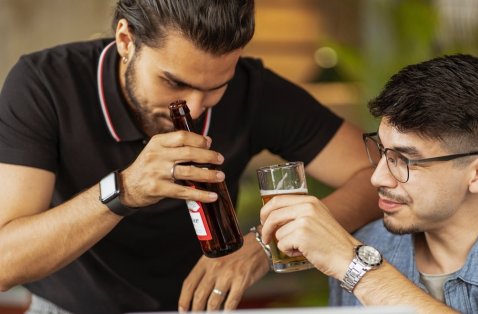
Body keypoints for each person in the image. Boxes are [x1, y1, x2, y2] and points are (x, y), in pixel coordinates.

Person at [0, 0, 381, 313]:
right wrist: (124, 189)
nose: (195, 108)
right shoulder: (44, 84)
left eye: (217, 87)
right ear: (125, 40)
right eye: (174, 82)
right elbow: (5, 262)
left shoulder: (254, 90)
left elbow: (378, 174)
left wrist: (265, 246)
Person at [260, 54, 478, 312]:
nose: (377, 177)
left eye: (405, 160)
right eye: (382, 151)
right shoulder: (367, 243)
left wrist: (356, 267)